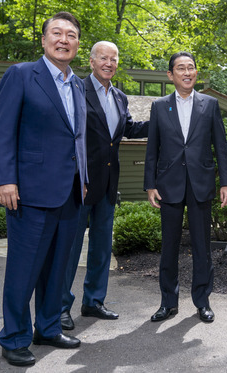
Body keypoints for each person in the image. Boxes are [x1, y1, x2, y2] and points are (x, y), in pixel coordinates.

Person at [0, 11, 87, 367]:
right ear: (44, 39)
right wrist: (5, 178)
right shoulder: (20, 75)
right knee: (24, 269)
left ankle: (47, 327)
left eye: (72, 35)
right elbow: (3, 130)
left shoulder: (77, 85)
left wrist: (85, 180)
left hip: (70, 193)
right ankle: (14, 337)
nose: (64, 39)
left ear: (77, 44)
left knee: (57, 268)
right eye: (57, 33)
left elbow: (77, 140)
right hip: (29, 192)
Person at [60, 41, 149, 330]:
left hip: (109, 186)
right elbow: (69, 136)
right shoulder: (77, 90)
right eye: (103, 58)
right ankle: (60, 306)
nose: (109, 63)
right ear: (91, 61)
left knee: (101, 248)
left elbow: (128, 129)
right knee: (70, 249)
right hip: (81, 185)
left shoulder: (120, 97)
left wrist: (162, 117)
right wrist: (77, 177)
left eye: (113, 58)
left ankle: (93, 301)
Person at [144, 51, 227, 323]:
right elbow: (152, 149)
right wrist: (150, 185)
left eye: (191, 67)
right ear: (171, 75)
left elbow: (220, 145)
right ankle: (168, 303)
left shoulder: (210, 104)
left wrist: (226, 182)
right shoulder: (160, 106)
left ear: (196, 73)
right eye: (180, 68)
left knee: (201, 247)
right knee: (168, 247)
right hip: (168, 186)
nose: (186, 72)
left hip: (200, 184)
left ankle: (202, 301)